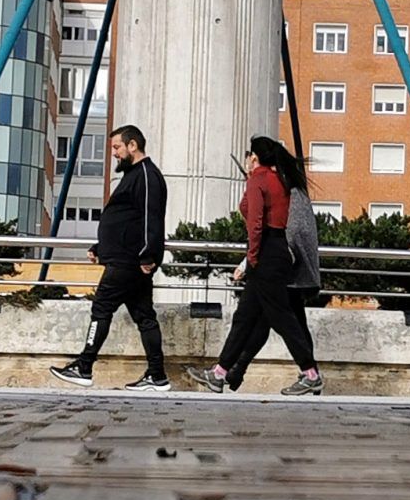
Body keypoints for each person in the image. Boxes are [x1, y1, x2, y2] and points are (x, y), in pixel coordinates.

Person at [198, 134, 323, 396]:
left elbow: (252, 220)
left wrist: (252, 257)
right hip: (278, 252)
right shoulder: (280, 181)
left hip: (265, 252)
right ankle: (219, 372)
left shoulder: (259, 180)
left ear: (255, 157)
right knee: (245, 317)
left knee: (281, 317)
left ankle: (310, 372)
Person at [51, 124, 169, 392]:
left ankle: (84, 366)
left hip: (130, 262)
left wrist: (148, 255)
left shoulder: (147, 176)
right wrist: (100, 246)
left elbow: (153, 218)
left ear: (132, 146)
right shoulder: (133, 175)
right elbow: (125, 220)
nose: (114, 153)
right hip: (127, 259)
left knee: (101, 308)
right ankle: (157, 375)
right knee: (145, 317)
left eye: (117, 147)